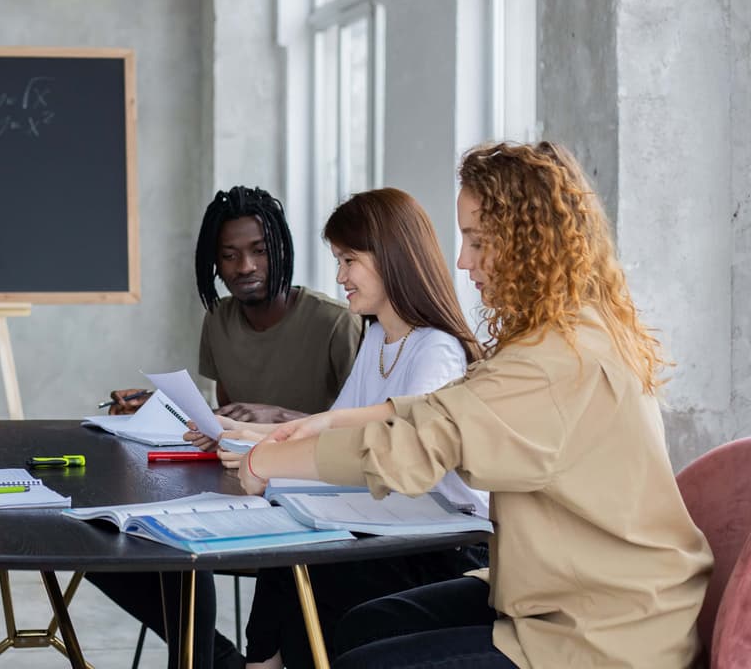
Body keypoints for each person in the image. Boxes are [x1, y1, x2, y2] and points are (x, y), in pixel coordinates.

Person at [236, 142, 713, 669]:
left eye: (477, 241)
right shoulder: (565, 333)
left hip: (603, 630)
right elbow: (445, 407)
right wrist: (325, 423)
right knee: (367, 624)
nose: (462, 261)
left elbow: (417, 445)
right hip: (560, 591)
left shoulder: (556, 360)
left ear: (528, 243)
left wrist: (265, 461)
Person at [94, 186, 364, 669]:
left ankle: (210, 662)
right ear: (213, 264)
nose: (245, 267)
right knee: (105, 545)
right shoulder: (218, 320)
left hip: (308, 504)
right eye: (229, 255)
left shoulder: (335, 323)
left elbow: (361, 430)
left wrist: (279, 417)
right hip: (236, 491)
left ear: (281, 248)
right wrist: (162, 407)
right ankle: (215, 660)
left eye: (259, 251)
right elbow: (223, 423)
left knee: (177, 552)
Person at [221, 188, 487, 669]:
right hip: (391, 527)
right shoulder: (380, 336)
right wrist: (244, 436)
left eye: (349, 260)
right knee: (290, 544)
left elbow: (396, 452)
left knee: (301, 558)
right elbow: (335, 433)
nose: (340, 276)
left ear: (392, 258)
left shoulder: (437, 349)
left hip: (441, 546)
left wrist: (268, 452)